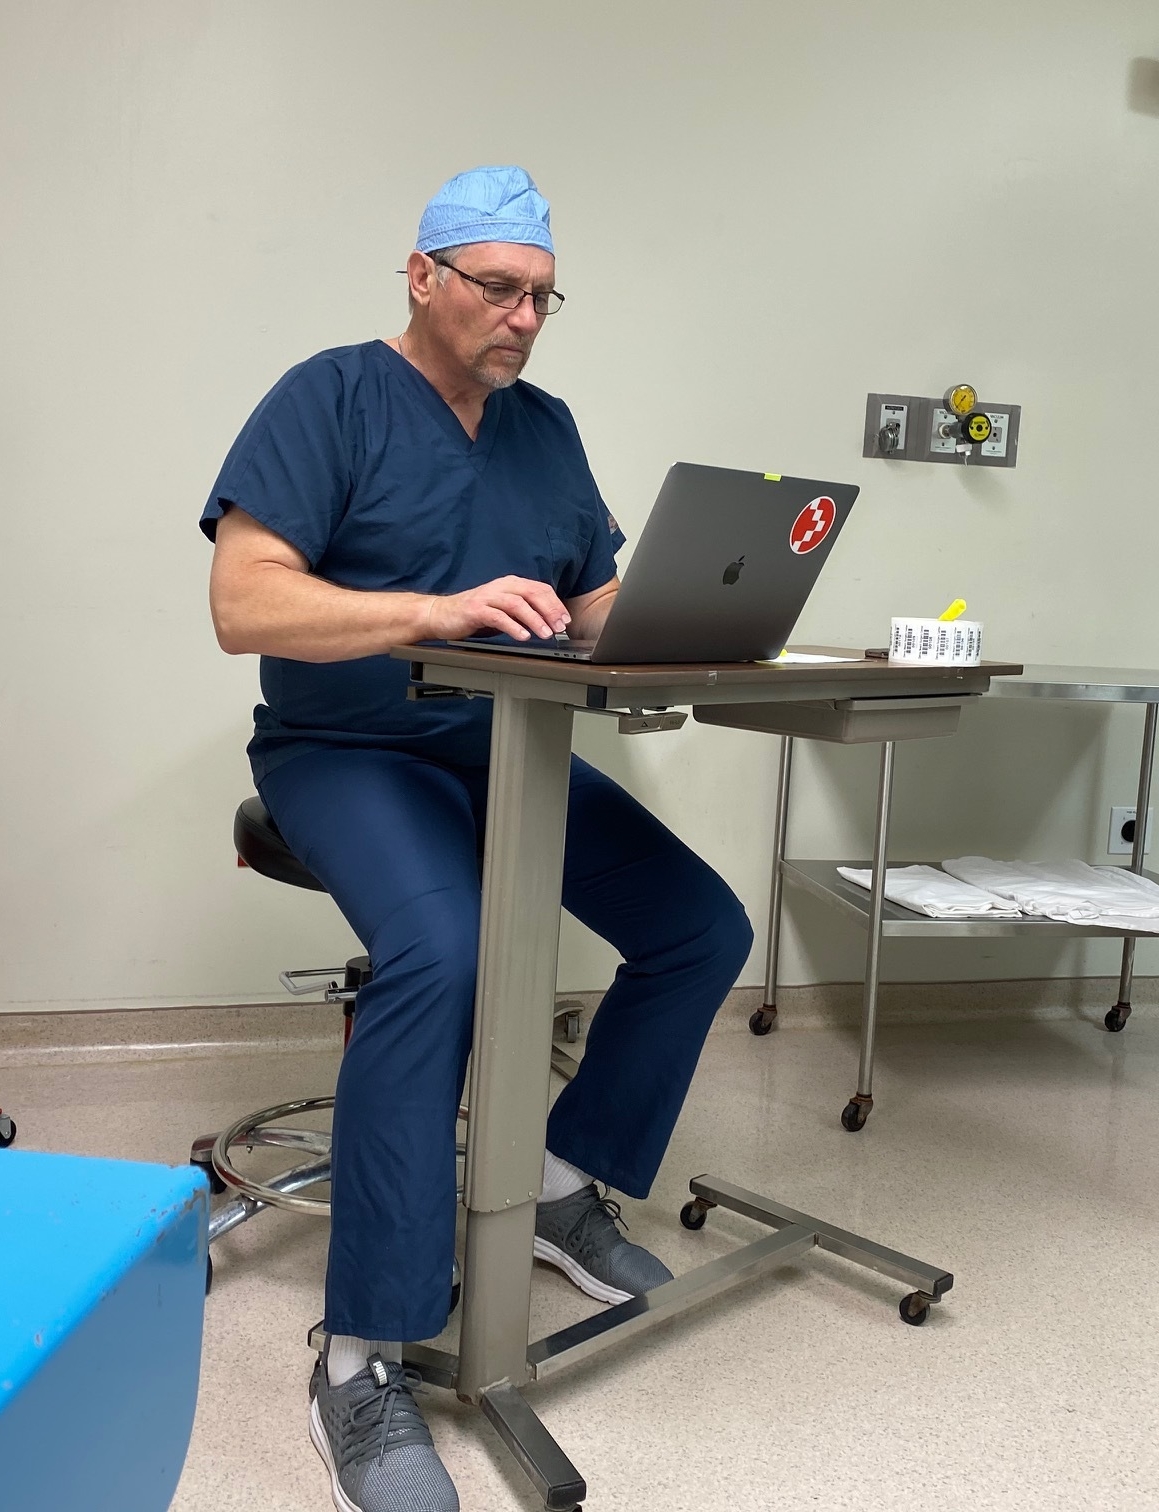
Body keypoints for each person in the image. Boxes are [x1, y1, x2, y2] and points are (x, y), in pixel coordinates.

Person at [202, 165, 753, 1512]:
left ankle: (560, 1185)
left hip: (506, 746)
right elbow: (244, 603)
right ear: (423, 275)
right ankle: (361, 1358)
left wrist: (705, 616)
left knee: (700, 927)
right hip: (347, 749)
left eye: (543, 298)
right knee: (441, 954)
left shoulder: (543, 429)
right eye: (500, 288)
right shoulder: (330, 397)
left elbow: (592, 602)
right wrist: (430, 612)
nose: (523, 318)